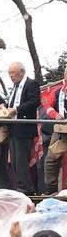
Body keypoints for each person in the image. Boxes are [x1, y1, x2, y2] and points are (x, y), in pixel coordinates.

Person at [5, 62, 40, 195]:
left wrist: (16, 110)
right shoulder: (14, 87)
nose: (11, 76)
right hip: (13, 127)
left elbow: (34, 102)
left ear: (21, 72)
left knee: (21, 161)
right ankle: (20, 186)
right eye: (9, 73)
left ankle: (26, 189)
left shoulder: (31, 84)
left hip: (24, 127)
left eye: (13, 73)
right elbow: (12, 103)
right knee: (14, 161)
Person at [43, 66, 67, 194]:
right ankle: (51, 192)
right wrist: (55, 115)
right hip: (61, 130)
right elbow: (47, 105)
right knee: (51, 161)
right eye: (66, 73)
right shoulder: (59, 91)